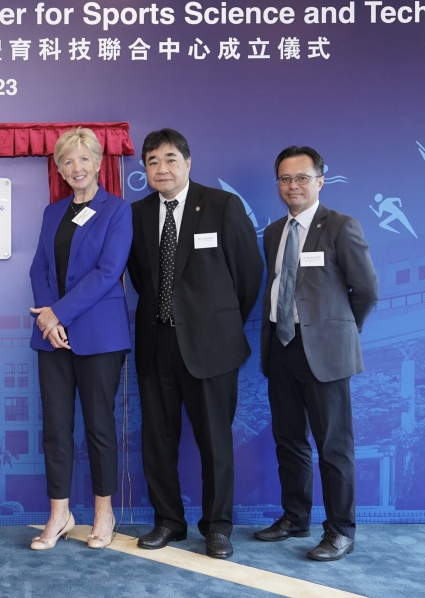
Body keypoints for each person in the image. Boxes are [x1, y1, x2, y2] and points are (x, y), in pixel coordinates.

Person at [128, 128, 262, 559]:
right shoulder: (138, 213)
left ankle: (217, 527)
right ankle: (168, 520)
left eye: (170, 159)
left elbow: (248, 274)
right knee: (158, 441)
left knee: (215, 443)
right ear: (144, 169)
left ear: (188, 162)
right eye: (152, 161)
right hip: (157, 343)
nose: (161, 168)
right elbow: (141, 279)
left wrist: (218, 323)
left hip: (212, 346)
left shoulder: (221, 205)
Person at [255, 146, 378, 562]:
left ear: (320, 181)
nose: (293, 185)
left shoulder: (341, 226)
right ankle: (295, 517)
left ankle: (340, 530)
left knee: (334, 447)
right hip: (281, 346)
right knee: (289, 440)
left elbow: (366, 290)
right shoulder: (274, 232)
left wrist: (339, 330)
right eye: (285, 178)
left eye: (302, 178)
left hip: (325, 352)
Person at [27, 128, 132, 551]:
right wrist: (48, 320)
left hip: (100, 336)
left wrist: (59, 312)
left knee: (99, 427)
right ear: (59, 169)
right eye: (68, 161)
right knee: (55, 428)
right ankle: (60, 514)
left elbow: (108, 272)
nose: (77, 167)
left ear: (99, 163)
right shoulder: (53, 212)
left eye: (84, 158)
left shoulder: (117, 210)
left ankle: (104, 513)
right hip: (51, 337)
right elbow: (39, 269)